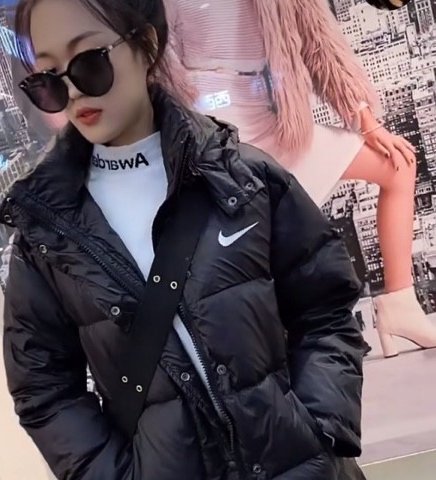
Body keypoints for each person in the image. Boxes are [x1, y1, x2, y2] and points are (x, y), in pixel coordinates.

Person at [0, 0, 367, 478]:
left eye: (88, 63)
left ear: (145, 44)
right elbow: (43, 387)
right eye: (48, 80)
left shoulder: (243, 177)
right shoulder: (46, 231)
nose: (71, 92)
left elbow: (325, 308)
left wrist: (320, 427)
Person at [164, 0, 436, 358]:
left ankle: (399, 307)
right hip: (214, 129)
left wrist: (367, 122)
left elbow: (319, 42)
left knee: (397, 166)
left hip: (271, 123)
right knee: (246, 252)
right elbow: (156, 68)